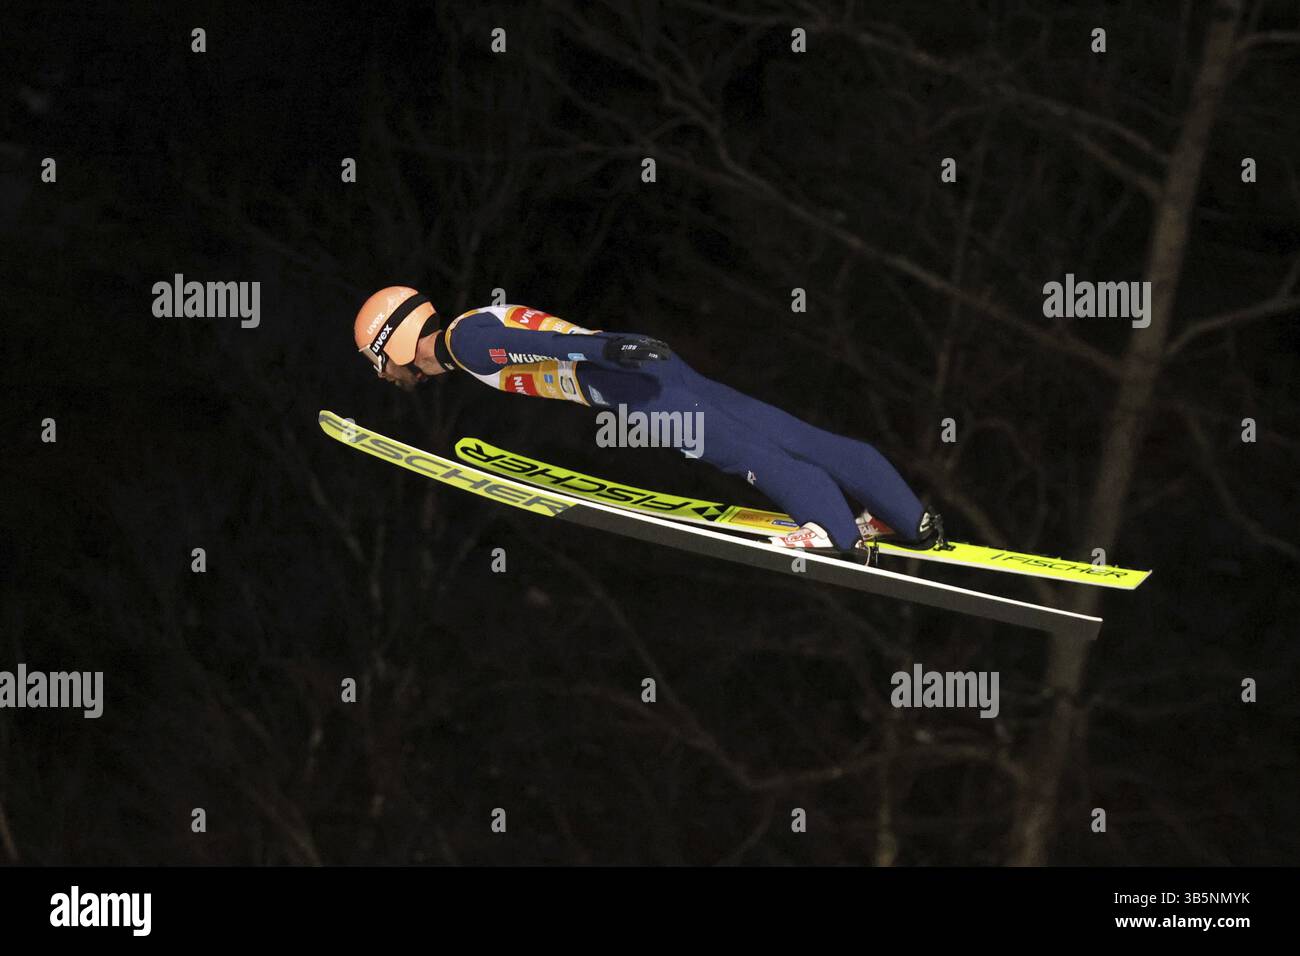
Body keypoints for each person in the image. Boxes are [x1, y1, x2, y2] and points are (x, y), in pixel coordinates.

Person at [353, 286, 943, 557]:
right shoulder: (468, 327)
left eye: (378, 363)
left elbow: (538, 346)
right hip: (640, 366)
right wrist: (622, 349)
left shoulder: (467, 344)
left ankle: (833, 532)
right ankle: (907, 518)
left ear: (392, 345)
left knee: (744, 453)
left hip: (625, 383)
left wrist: (614, 354)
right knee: (784, 432)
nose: (384, 375)